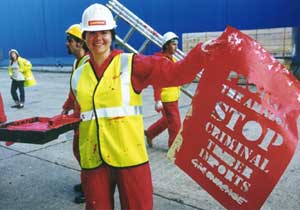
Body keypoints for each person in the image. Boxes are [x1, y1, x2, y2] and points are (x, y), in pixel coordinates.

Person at [71, 3, 207, 210]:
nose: (98, 38)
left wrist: (202, 53)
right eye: (92, 33)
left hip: (129, 157)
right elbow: (80, 115)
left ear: (112, 34)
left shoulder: (130, 64)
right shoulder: (79, 74)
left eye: (104, 32)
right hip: (93, 159)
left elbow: (176, 73)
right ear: (84, 36)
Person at [61, 24, 89, 204]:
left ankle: (91, 189)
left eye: (70, 40)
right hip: (77, 116)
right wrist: (67, 106)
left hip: (87, 118)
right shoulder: (76, 63)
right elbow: (74, 90)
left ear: (80, 43)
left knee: (86, 155)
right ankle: (86, 182)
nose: (66, 44)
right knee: (78, 152)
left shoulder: (88, 63)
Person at [145, 32, 181, 148]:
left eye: (177, 44)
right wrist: (157, 100)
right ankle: (173, 148)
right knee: (175, 123)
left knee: (167, 120)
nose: (176, 46)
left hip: (174, 97)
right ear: (166, 45)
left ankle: (150, 133)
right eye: (173, 44)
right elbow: (157, 81)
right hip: (166, 98)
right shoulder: (160, 61)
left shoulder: (173, 59)